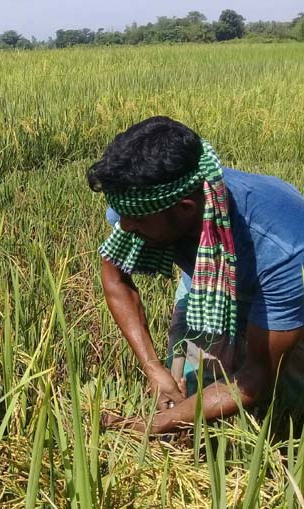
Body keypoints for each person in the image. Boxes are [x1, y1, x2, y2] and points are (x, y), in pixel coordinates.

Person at [88, 116, 304, 433]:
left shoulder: (281, 247)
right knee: (187, 391)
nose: (125, 226)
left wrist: (154, 425)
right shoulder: (139, 204)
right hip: (209, 284)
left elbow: (255, 378)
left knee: (287, 405)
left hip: (281, 287)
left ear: (187, 208)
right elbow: (116, 279)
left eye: (134, 219)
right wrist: (153, 368)